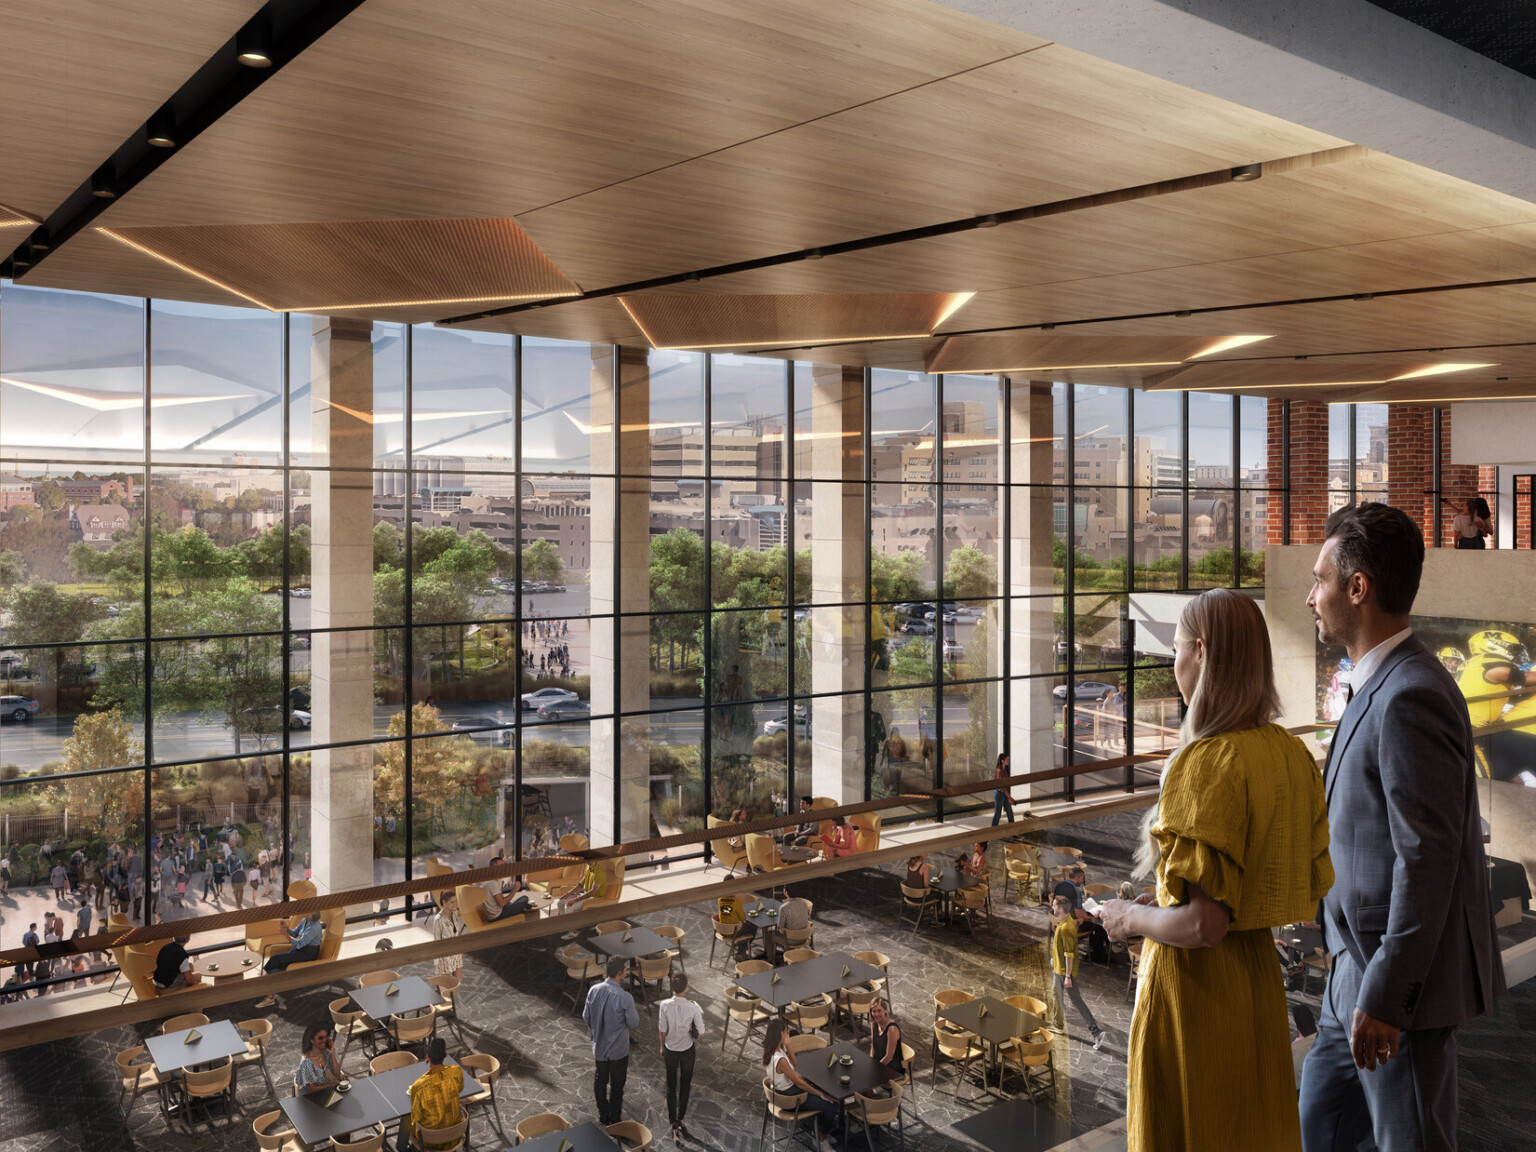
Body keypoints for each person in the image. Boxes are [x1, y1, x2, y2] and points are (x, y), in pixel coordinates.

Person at [1297, 504, 1504, 1152]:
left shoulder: (1411, 692)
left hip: (1391, 984)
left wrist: (1387, 994)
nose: (1310, 598)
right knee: (1320, 1128)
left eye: (1320, 580)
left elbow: (1429, 858)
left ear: (1358, 589)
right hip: (1345, 972)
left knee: (1408, 1141)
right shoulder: (1378, 682)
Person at [1098, 586, 1333, 1152]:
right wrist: (1167, 902)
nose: (1174, 662)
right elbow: (1239, 893)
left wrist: (1128, 916)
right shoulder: (1288, 753)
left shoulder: (1205, 763)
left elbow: (1206, 925)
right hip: (1255, 984)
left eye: (1175, 648)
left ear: (1200, 653)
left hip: (1193, 994)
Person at [763, 1018, 840, 1144]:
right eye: (786, 1031)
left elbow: (794, 1062)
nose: (788, 1033)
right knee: (831, 1103)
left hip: (782, 1093)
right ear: (781, 1033)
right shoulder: (780, 1059)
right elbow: (799, 1083)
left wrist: (787, 1044)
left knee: (822, 1093)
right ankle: (822, 1139)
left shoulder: (771, 1051)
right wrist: (820, 1094)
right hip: (791, 1099)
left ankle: (818, 1130)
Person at [583, 955, 639, 1125]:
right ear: (620, 973)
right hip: (618, 1051)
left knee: (600, 1081)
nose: (627, 973)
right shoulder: (625, 997)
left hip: (599, 1047)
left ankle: (603, 1112)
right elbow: (634, 1023)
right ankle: (615, 1119)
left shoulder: (593, 990)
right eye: (626, 971)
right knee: (617, 1086)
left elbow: (586, 1017)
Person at [1050, 894, 1105, 1050]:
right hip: (1059, 969)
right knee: (1057, 996)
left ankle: (1096, 1032)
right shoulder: (1065, 922)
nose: (1052, 907)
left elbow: (1069, 954)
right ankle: (1058, 1025)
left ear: (1060, 909)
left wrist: (1067, 976)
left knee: (1076, 1001)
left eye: (1054, 905)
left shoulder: (1066, 927)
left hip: (1063, 973)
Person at [658, 972, 705, 1140]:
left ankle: (672, 1120)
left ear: (672, 987)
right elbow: (702, 1032)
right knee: (685, 1084)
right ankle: (680, 1118)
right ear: (686, 987)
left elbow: (662, 1028)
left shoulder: (664, 1005)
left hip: (670, 1049)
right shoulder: (693, 1007)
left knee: (671, 1084)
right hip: (687, 1051)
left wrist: (662, 1046)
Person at [398, 1036, 464, 1152]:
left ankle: (401, 1149)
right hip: (454, 1135)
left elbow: (416, 1118)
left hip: (430, 1141)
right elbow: (460, 1088)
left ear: (427, 1056)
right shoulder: (456, 1072)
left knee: (406, 1117)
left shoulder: (419, 1086)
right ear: (445, 1055)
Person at [256, 912, 325, 1005]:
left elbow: (299, 944)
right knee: (277, 961)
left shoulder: (315, 927)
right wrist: (286, 928)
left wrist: (286, 935)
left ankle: (268, 993)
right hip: (301, 950)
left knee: (276, 959)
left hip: (308, 954)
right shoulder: (305, 920)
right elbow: (295, 933)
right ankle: (268, 988)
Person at [1053, 866, 1109, 962]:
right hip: (1072, 925)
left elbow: (1062, 900)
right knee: (1098, 926)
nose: (1082, 881)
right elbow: (1080, 916)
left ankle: (1099, 949)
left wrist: (1077, 901)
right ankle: (1099, 954)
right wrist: (1094, 917)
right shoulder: (1076, 892)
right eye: (1082, 878)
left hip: (1058, 920)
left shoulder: (1060, 885)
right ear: (1077, 877)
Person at [294, 1021, 343, 1095]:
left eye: (326, 1036)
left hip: (323, 1091)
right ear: (311, 1040)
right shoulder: (306, 1062)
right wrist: (330, 1085)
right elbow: (311, 1089)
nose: (324, 1040)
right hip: (309, 1097)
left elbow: (336, 1073)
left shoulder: (327, 1052)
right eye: (320, 1038)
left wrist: (332, 1054)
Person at [480, 857, 532, 921]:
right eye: (501, 866)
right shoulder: (493, 883)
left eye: (504, 866)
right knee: (524, 898)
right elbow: (502, 903)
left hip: (496, 911)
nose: (504, 868)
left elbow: (500, 901)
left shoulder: (489, 880)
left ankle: (523, 908)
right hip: (497, 916)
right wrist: (515, 889)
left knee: (510, 903)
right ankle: (523, 909)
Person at [432, 890, 465, 980]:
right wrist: (439, 962)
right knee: (445, 986)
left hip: (456, 952)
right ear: (444, 902)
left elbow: (456, 934)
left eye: (455, 902)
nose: (454, 905)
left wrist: (460, 950)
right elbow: (437, 941)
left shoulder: (454, 914)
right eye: (451, 902)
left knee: (458, 982)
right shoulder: (438, 919)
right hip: (445, 956)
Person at [868, 999, 905, 1079]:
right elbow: (873, 1046)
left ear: (885, 1010)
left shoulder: (892, 1029)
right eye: (874, 1011)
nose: (876, 1014)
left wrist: (875, 1069)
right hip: (879, 1063)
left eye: (879, 1010)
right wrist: (871, 1061)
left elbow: (889, 1057)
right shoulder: (874, 1024)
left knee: (866, 1079)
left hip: (892, 1068)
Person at [990, 751, 1016, 826]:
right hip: (999, 794)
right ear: (1002, 761)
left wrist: (1009, 797)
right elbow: (1002, 787)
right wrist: (1010, 797)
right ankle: (993, 831)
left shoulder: (1004, 769)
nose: (1009, 761)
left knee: (1010, 813)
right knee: (998, 814)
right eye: (1007, 759)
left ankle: (1014, 829)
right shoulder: (999, 771)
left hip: (1004, 793)